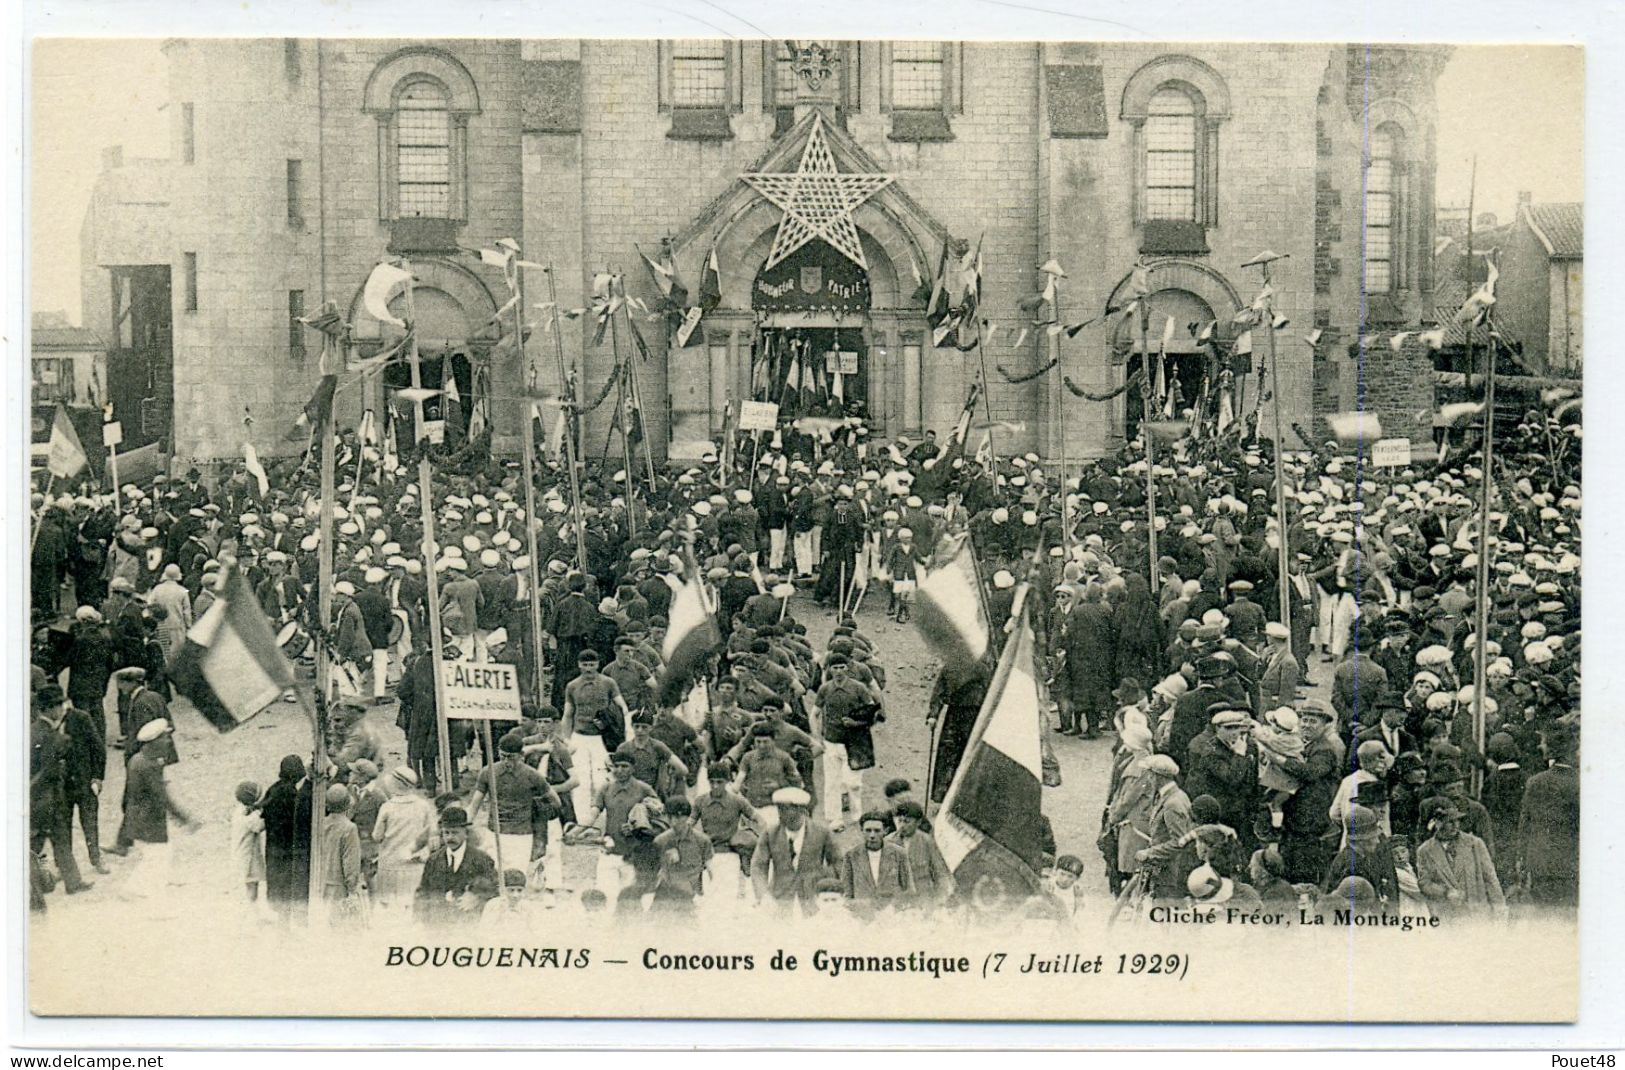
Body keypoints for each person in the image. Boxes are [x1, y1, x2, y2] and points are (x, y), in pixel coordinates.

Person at [466, 730, 559, 881]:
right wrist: (466, 825)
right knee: (490, 879)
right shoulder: (487, 772)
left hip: (521, 836)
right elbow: (474, 805)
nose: (507, 762)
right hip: (494, 833)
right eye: (503, 756)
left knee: (515, 880)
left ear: (521, 755)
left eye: (511, 758)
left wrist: (538, 809)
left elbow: (555, 802)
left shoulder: (533, 776)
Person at [119, 719, 194, 902]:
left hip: (138, 817)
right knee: (157, 859)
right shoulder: (149, 766)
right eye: (165, 738)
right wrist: (185, 819)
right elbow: (162, 797)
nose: (168, 742)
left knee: (156, 856)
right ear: (153, 742)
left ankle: (132, 888)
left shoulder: (138, 760)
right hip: (149, 819)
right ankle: (155, 903)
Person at [30, 685, 92, 896]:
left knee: (59, 839)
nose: (62, 709)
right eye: (59, 705)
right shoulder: (50, 736)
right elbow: (49, 771)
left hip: (44, 798)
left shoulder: (32, 730)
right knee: (36, 844)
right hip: (47, 798)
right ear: (49, 709)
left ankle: (73, 881)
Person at [1517, 722, 1579, 911]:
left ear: (1553, 750)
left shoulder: (1535, 782)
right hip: (1571, 862)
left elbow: (1525, 824)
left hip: (1540, 861)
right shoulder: (1579, 782)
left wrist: (1521, 858)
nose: (1540, 746)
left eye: (1544, 743)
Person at [750, 787, 839, 915]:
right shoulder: (770, 833)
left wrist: (831, 889)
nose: (780, 813)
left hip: (813, 900)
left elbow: (838, 863)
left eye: (785, 809)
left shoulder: (821, 832)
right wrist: (763, 896)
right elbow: (758, 866)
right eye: (779, 808)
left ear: (800, 809)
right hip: (780, 899)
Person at [1416, 800, 1507, 921]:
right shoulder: (1425, 851)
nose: (1456, 826)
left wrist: (1499, 911)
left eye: (1458, 820)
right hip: (1446, 918)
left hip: (1476, 916)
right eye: (1450, 822)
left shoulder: (1475, 844)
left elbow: (1490, 879)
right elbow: (1424, 884)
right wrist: (1446, 892)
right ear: (1437, 823)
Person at [414, 805, 497, 927]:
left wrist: (478, 896)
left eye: (455, 833)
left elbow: (496, 889)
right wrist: (418, 920)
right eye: (446, 833)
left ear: (466, 833)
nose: (450, 837)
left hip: (468, 925)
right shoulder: (433, 860)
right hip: (437, 925)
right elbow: (422, 892)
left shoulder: (482, 859)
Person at [371, 766, 436, 912]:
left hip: (390, 864)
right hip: (414, 863)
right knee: (411, 903)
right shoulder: (423, 805)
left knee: (388, 905)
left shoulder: (387, 807)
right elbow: (430, 832)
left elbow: (377, 836)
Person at [260, 754, 312, 922]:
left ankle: (282, 922)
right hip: (291, 847)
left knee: (278, 883)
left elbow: (263, 813)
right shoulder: (294, 794)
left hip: (274, 846)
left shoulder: (273, 789)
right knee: (292, 883)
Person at [840, 809, 913, 919]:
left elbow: (909, 889)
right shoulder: (851, 855)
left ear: (885, 831)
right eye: (868, 830)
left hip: (892, 916)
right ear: (861, 831)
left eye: (877, 830)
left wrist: (894, 909)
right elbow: (846, 893)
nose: (872, 835)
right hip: (862, 917)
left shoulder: (899, 854)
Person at [651, 795, 712, 915]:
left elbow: (710, 873)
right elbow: (652, 872)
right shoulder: (660, 841)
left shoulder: (702, 841)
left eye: (679, 817)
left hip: (691, 898)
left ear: (687, 816)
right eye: (670, 817)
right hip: (665, 897)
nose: (674, 821)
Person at [887, 800, 954, 911]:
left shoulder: (927, 841)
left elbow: (939, 873)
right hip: (898, 900)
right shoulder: (888, 842)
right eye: (900, 821)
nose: (902, 826)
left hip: (923, 899)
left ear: (918, 823)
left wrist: (939, 900)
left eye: (907, 822)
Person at [318, 784, 365, 927]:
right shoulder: (349, 828)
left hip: (321, 882)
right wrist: (352, 889)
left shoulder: (320, 823)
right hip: (339, 886)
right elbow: (350, 862)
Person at [231, 781, 266, 903]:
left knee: (251, 884)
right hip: (247, 856)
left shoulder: (239, 810)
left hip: (244, 853)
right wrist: (263, 812)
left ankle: (252, 911)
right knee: (251, 885)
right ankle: (252, 913)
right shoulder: (246, 815)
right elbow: (259, 826)